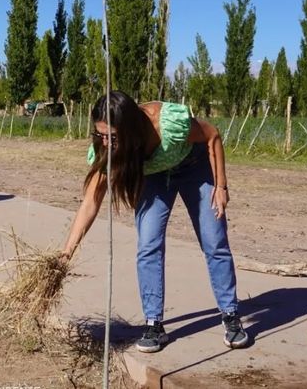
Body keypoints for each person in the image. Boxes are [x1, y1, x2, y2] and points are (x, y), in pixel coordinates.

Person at [61, 90, 248, 353]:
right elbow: (91, 202)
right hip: (155, 177)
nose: (105, 142)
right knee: (148, 245)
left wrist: (220, 186)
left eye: (111, 136)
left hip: (194, 165)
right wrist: (66, 253)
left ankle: (231, 315)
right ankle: (154, 325)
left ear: (130, 130)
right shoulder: (105, 148)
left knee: (214, 240)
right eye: (99, 134)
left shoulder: (167, 123)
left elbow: (213, 134)